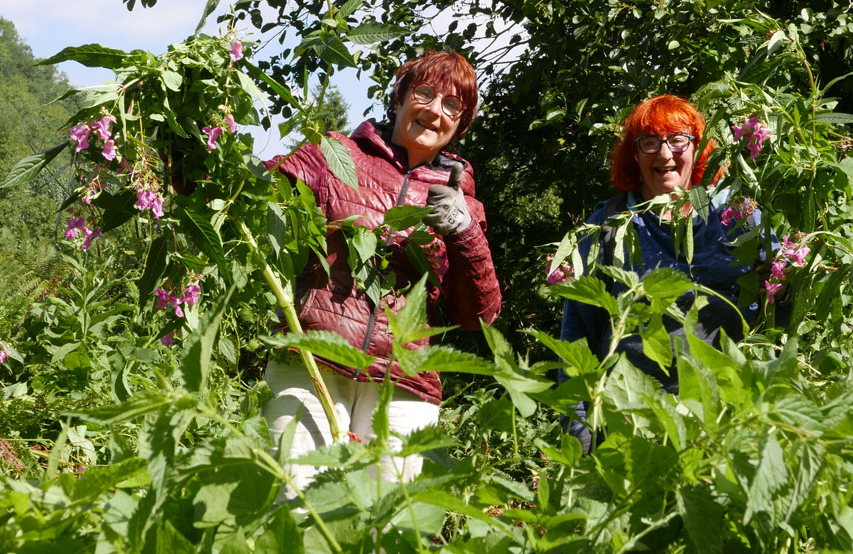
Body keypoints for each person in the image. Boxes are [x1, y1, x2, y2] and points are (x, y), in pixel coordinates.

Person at [263, 50, 501, 493]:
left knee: (385, 527)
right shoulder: (333, 155)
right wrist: (191, 158)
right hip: (313, 363)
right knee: (293, 510)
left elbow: (480, 316)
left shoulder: (460, 201)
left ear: (460, 124)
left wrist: (465, 232)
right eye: (425, 93)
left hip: (403, 384)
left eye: (452, 105)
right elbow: (251, 197)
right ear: (399, 98)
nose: (434, 110)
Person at [558, 94, 764, 452]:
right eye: (650, 143)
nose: (665, 154)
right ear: (634, 155)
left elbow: (779, 294)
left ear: (699, 148)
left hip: (728, 416)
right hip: (632, 420)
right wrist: (580, 435)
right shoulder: (608, 225)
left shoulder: (737, 216)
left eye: (678, 140)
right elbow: (577, 335)